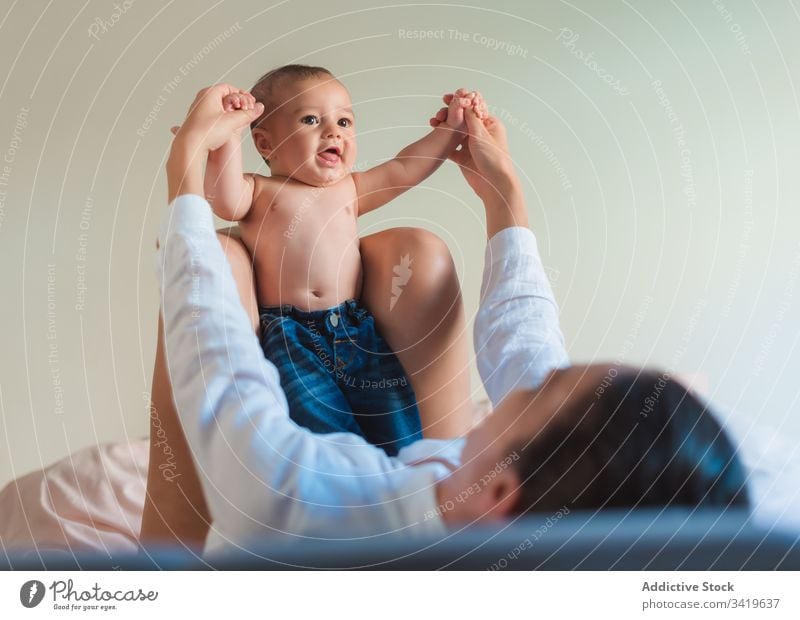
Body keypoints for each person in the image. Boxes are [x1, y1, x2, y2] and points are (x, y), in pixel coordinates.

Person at [147, 83, 748, 554]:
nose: (526, 381)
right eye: (313, 120)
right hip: (339, 353)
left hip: (274, 411)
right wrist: (502, 189)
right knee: (418, 254)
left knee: (220, 263)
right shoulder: (535, 521)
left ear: (497, 494)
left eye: (536, 391)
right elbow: (529, 348)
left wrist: (189, 163)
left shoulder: (317, 504)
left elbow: (221, 373)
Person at [182, 65, 486, 455]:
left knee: (394, 417)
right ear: (264, 143)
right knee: (318, 422)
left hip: (356, 329)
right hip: (291, 335)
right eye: (311, 120)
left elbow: (405, 167)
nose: (334, 132)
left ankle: (403, 483)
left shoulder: (350, 189)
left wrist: (450, 131)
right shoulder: (258, 193)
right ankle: (344, 492)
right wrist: (227, 137)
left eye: (344, 121)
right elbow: (222, 199)